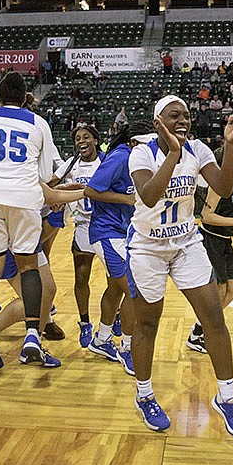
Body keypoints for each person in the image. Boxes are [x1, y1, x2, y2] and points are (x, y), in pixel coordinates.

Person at [128, 95, 233, 438]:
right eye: (173, 116)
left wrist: (228, 145)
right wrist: (173, 154)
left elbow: (223, 187)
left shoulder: (198, 149)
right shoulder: (142, 151)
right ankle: (145, 395)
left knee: (214, 317)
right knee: (148, 323)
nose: (182, 120)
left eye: (186, 115)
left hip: (185, 243)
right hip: (148, 246)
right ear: (157, 123)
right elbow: (149, 196)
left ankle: (227, 398)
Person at [0, 72, 59, 371]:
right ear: (25, 96)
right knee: (28, 266)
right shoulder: (38, 122)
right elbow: (44, 175)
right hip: (24, 198)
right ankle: (32, 335)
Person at [83, 119, 154, 376]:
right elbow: (90, 190)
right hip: (106, 233)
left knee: (116, 289)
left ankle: (101, 340)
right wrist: (125, 198)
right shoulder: (119, 158)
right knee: (135, 291)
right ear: (133, 142)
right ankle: (127, 346)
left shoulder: (138, 158)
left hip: (123, 232)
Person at [187, 143, 233, 353]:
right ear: (227, 161)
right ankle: (201, 334)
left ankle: (199, 329)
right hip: (212, 241)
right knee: (220, 290)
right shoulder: (218, 185)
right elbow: (206, 217)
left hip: (225, 241)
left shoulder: (232, 182)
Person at [66, 124, 106, 347]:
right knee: (81, 278)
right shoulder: (72, 164)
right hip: (82, 225)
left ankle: (116, 313)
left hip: (106, 225)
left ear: (95, 140)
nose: (81, 141)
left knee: (116, 277)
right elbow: (54, 182)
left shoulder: (107, 161)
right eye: (78, 138)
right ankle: (84, 323)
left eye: (86, 137)